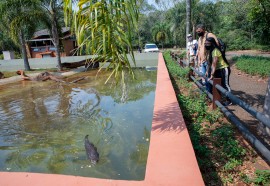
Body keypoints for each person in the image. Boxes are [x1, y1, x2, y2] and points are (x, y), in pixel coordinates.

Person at [204, 37, 232, 106]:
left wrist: (212, 74)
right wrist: (207, 71)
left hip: (223, 69)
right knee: (219, 84)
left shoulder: (215, 50)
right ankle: (219, 99)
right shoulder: (210, 51)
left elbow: (214, 63)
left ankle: (229, 100)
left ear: (212, 43)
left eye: (208, 43)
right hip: (218, 70)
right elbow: (209, 63)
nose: (206, 45)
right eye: (205, 43)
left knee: (225, 84)